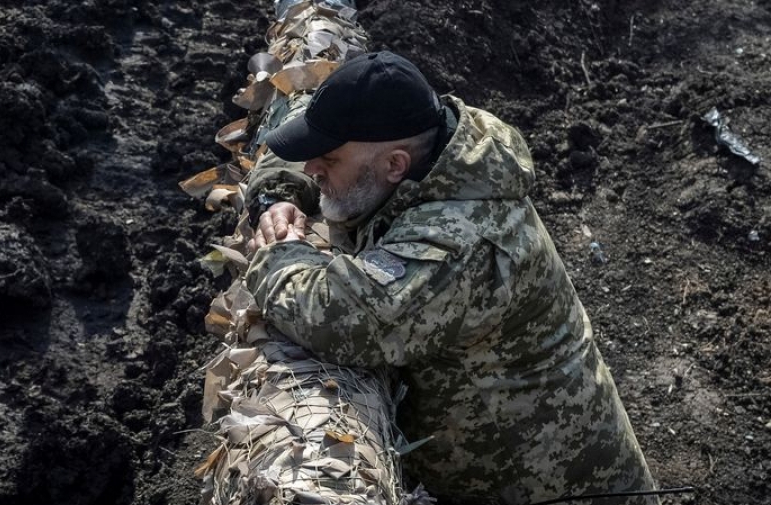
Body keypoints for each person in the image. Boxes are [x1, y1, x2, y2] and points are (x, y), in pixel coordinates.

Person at [242, 51, 658, 504]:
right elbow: (302, 119)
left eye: (327, 160)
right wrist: (276, 199)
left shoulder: (461, 242)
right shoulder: (434, 150)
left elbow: (340, 318)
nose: (311, 170)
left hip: (552, 486)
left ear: (395, 166)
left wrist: (277, 253)